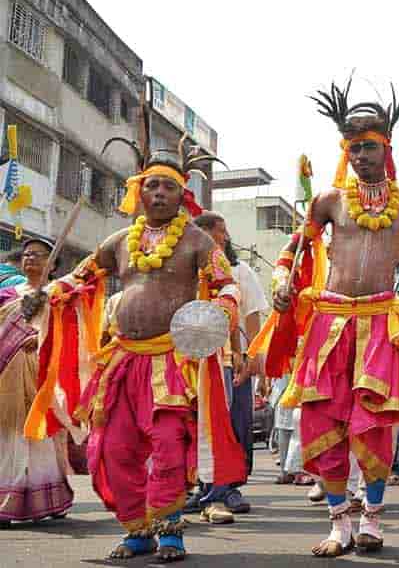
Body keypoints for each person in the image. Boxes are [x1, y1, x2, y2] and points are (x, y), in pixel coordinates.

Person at [255, 78, 399, 556]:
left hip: (383, 323)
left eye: (369, 146)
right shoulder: (328, 201)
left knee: (375, 425)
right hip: (330, 321)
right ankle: (339, 522)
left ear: (387, 148)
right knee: (321, 421)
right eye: (353, 147)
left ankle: (373, 519)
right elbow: (290, 254)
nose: (360, 155)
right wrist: (282, 282)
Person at [22, 148, 245, 563]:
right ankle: (137, 530)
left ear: (183, 196)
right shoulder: (118, 242)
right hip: (121, 360)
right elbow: (79, 278)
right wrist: (46, 295)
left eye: (168, 187)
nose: (159, 193)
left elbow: (226, 284)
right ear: (139, 193)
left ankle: (170, 531)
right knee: (110, 449)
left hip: (170, 361)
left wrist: (225, 310)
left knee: (167, 448)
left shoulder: (196, 240)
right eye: (151, 186)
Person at [190, 214, 268, 519]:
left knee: (233, 424)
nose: (224, 238)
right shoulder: (188, 270)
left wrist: (249, 355)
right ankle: (203, 488)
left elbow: (250, 316)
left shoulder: (238, 271)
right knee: (195, 425)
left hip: (229, 357)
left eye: (223, 234)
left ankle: (227, 489)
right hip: (190, 359)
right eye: (217, 234)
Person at [0, 237, 73, 527]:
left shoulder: (61, 294)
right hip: (7, 370)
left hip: (41, 371)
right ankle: (8, 495)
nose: (31, 259)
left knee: (39, 433)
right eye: (27, 255)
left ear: (52, 263)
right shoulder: (8, 294)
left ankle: (48, 498)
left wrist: (41, 338)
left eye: (39, 255)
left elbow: (71, 332)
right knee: (8, 434)